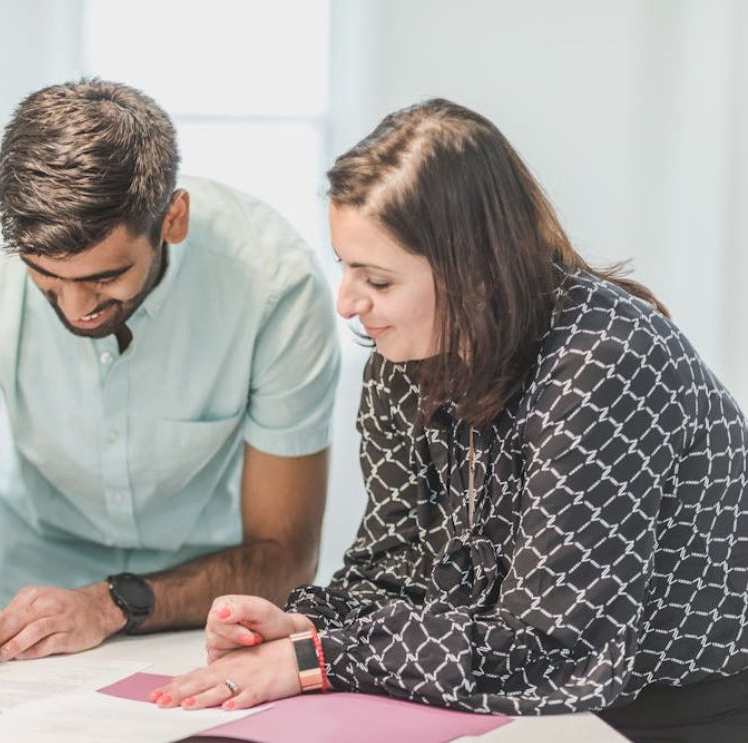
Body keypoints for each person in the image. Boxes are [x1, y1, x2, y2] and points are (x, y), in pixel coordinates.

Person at [153, 99, 748, 741]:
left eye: (377, 280)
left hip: (681, 711)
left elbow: (556, 649)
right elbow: (393, 571)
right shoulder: (401, 356)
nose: (348, 303)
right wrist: (299, 626)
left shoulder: (603, 362)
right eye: (344, 265)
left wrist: (316, 658)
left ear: (476, 275)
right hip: (506, 701)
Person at [0, 79, 340, 667]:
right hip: (30, 619)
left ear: (172, 220)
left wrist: (108, 605)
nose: (77, 309)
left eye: (104, 278)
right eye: (47, 279)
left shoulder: (275, 287)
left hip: (212, 618)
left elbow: (286, 556)